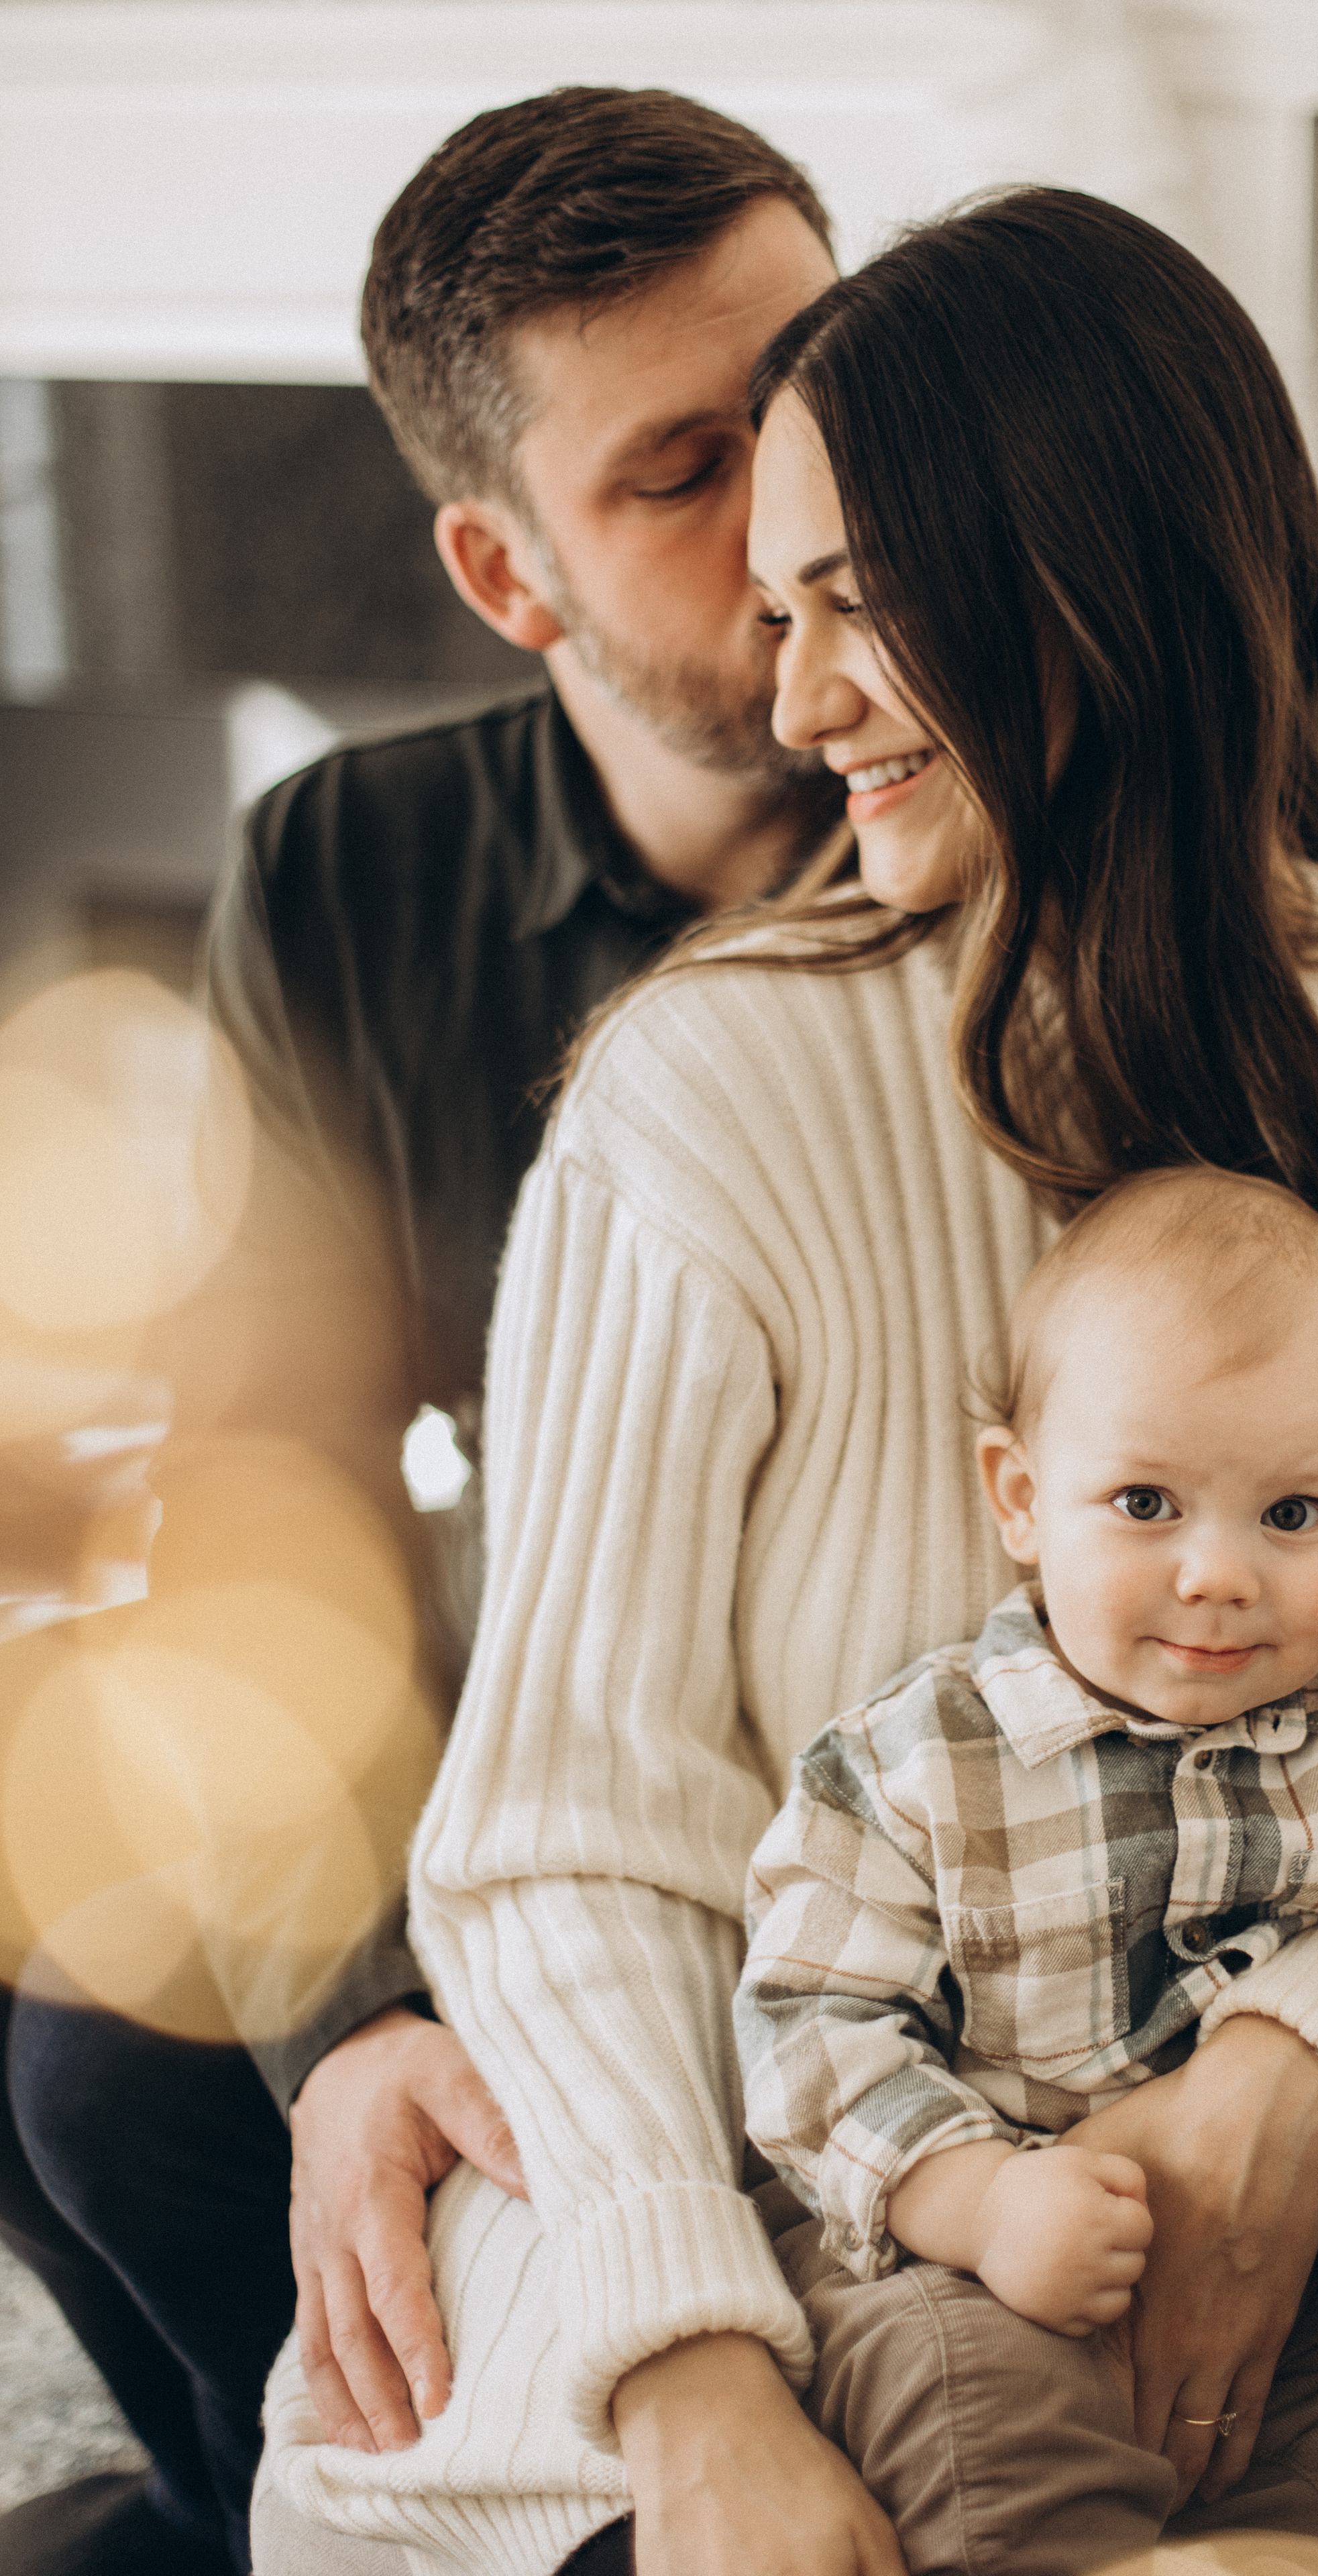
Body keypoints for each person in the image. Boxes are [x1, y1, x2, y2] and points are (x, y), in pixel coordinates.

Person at [254, 188, 1318, 2576]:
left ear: (1094, 585)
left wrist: (1293, 2078)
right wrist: (694, 2372)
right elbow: (569, 1838)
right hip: (787, 2135)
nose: (798, 701)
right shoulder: (694, 1096)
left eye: (854, 606)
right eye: (773, 611)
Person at [0, 87, 840, 2576]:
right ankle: (230, 2494)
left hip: (848, 1796)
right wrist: (357, 2005)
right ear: (506, 574)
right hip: (517, 1737)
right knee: (78, 2057)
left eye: (820, 387)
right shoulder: (345, 869)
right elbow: (268, 1483)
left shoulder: (991, 813)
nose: (802, 513)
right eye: (683, 471)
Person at [736, 1164, 1318, 2575]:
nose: (1219, 1573)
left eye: (1289, 1516)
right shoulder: (917, 1755)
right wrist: (979, 2200)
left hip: (1297, 2275)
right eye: (1145, 1501)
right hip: (965, 2272)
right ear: (1021, 1499)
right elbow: (806, 2030)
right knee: (1010, 2499)